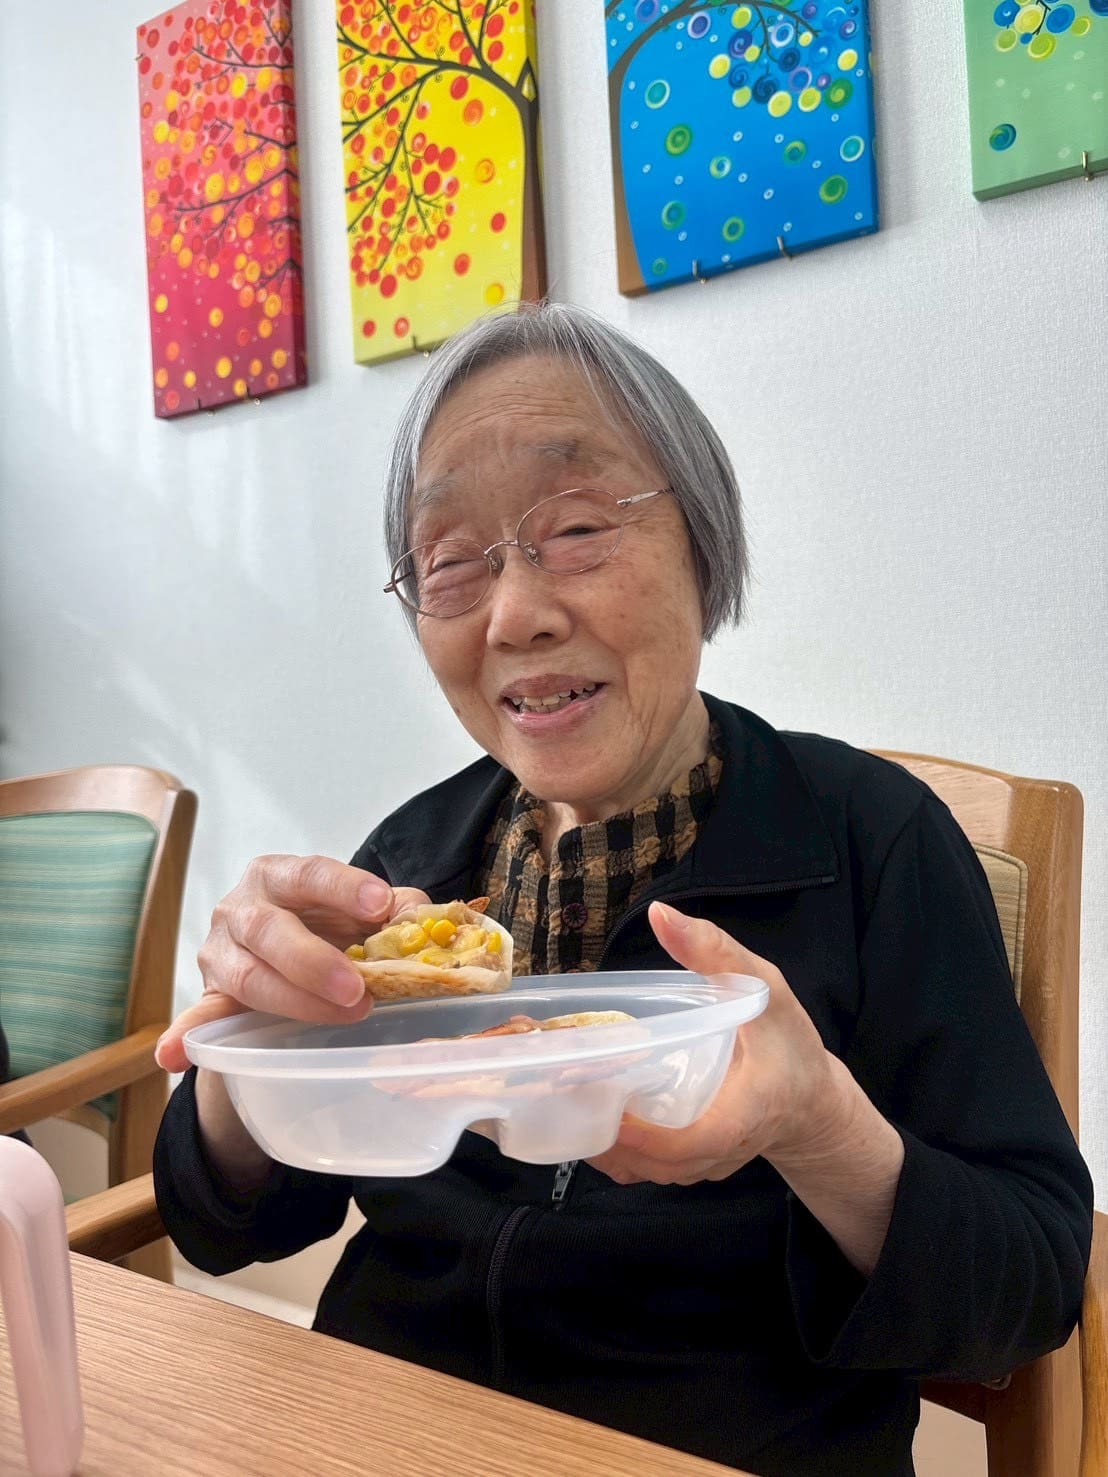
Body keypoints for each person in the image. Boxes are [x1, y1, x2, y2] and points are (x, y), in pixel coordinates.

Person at [153, 303, 1092, 1477]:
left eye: (577, 528)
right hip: (393, 1434)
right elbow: (222, 1222)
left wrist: (818, 1127)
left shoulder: (872, 841)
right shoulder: (407, 870)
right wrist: (248, 1060)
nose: (515, 615)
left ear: (702, 542)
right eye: (450, 561)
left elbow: (1030, 1285)